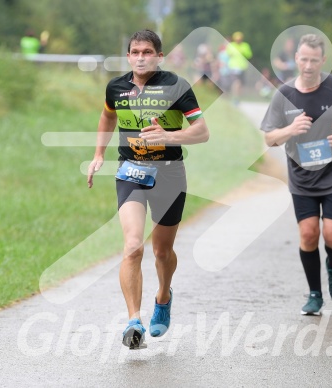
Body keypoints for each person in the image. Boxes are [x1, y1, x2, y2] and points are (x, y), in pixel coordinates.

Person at [87, 29, 209, 349]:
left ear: (159, 56)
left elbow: (201, 132)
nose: (141, 57)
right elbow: (106, 117)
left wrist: (168, 137)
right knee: (132, 246)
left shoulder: (177, 86)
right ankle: (133, 321)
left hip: (170, 175)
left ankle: (163, 296)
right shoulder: (116, 87)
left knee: (162, 251)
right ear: (128, 56)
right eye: (135, 52)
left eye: (147, 52)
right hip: (131, 173)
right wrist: (99, 154)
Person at [260, 34, 332, 315]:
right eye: (303, 59)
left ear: (323, 60)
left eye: (314, 60)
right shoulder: (284, 95)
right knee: (308, 234)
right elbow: (270, 139)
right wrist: (289, 130)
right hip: (302, 175)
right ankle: (315, 294)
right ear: (296, 59)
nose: (308, 65)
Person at [226, 31, 252, 104]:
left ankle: (237, 97)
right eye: (237, 39)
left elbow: (249, 55)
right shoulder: (231, 45)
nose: (238, 41)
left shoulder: (245, 45)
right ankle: (235, 98)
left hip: (243, 67)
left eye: (239, 39)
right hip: (233, 67)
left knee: (240, 84)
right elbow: (228, 54)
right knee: (236, 82)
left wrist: (242, 51)